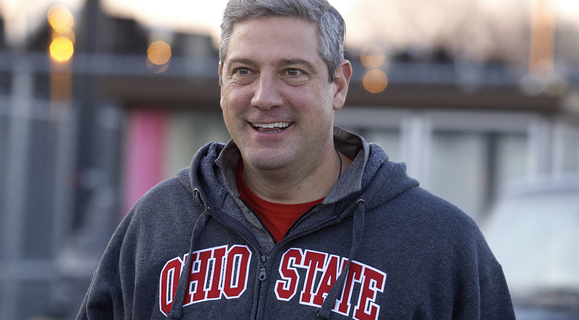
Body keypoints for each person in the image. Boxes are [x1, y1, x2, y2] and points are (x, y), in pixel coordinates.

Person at [76, 0, 515, 319]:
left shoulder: (440, 242)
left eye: (292, 72)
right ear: (222, 82)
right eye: (244, 71)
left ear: (338, 85)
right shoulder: (157, 222)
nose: (264, 98)